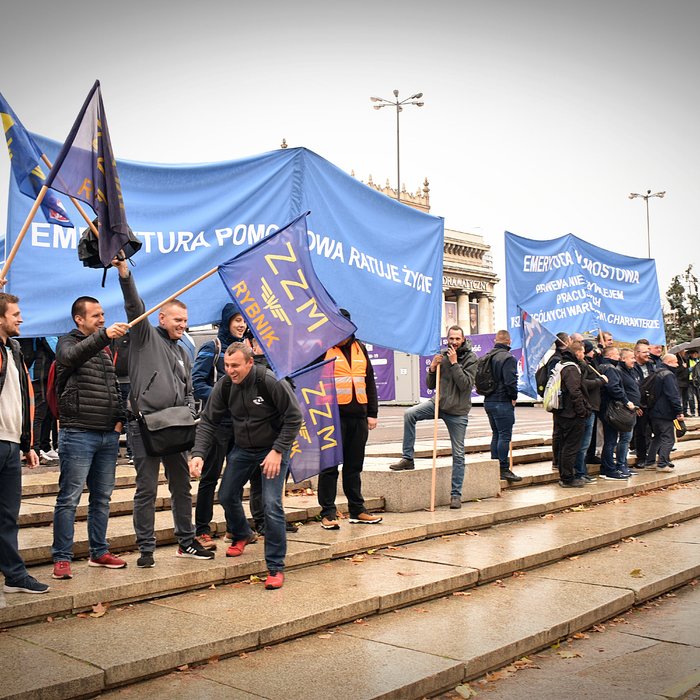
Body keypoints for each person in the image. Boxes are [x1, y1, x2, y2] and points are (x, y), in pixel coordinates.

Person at [114, 258, 214, 567]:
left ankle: (187, 542)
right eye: (177, 320)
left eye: (185, 321)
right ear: (161, 317)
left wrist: (190, 413)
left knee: (181, 486)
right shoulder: (145, 337)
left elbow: (188, 389)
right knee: (146, 488)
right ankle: (146, 548)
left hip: (176, 425)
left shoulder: (184, 349)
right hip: (144, 425)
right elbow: (133, 305)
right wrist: (125, 274)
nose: (182, 325)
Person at [189, 343, 302, 590]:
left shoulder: (269, 381)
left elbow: (294, 417)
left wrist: (277, 450)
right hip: (242, 449)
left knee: (271, 505)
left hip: (272, 449)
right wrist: (198, 454)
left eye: (235, 366)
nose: (230, 371)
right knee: (227, 494)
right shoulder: (225, 385)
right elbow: (208, 421)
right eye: (227, 366)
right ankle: (242, 534)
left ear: (250, 363)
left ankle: (275, 567)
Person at [51, 297, 130, 579]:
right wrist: (102, 336)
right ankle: (61, 557)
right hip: (77, 433)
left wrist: (119, 421)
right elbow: (70, 358)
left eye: (103, 315)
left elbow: (113, 389)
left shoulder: (104, 350)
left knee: (103, 499)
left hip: (107, 435)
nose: (101, 319)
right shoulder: (67, 342)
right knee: (69, 498)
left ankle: (99, 552)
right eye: (95, 315)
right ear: (79, 319)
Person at [191, 303, 263, 548]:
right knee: (210, 477)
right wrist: (224, 397)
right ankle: (202, 528)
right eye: (237, 320)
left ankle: (234, 530)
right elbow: (197, 383)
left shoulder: (247, 353)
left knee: (235, 480)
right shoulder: (213, 347)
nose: (242, 324)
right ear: (226, 322)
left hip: (241, 427)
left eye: (244, 320)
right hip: (217, 424)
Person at [389, 326, 477, 509]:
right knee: (409, 414)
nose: (453, 342)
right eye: (451, 338)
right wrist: (432, 368)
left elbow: (465, 385)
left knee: (459, 454)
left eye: (457, 339)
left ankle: (455, 494)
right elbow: (430, 384)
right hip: (438, 403)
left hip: (458, 411)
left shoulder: (471, 358)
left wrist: (454, 364)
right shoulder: (442, 355)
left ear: (463, 339)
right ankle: (408, 458)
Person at [0, 292, 49, 593]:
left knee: (7, 516)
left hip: (9, 444)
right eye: (15, 313)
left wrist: (26, 443)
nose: (20, 318)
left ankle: (15, 576)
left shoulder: (15, 349)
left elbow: (21, 397)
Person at [317, 308, 382, 529]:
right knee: (329, 467)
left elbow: (369, 381)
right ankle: (328, 513)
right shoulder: (323, 348)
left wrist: (372, 413)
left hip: (358, 417)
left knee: (354, 466)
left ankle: (357, 509)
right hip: (332, 418)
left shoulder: (359, 348)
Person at [483, 330, 522, 483]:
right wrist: (513, 397)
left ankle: (494, 466)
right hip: (502, 401)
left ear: (495, 340)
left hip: (488, 401)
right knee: (504, 435)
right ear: (509, 341)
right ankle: (503, 469)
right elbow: (510, 382)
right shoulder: (508, 358)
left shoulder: (487, 356)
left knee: (496, 434)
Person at [17, 336, 59, 463]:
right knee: (38, 414)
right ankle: (34, 448)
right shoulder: (45, 330)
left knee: (46, 413)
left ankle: (44, 447)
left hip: (42, 375)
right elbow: (56, 350)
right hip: (37, 375)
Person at [556, 340, 591, 488]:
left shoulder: (562, 364)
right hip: (572, 414)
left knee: (565, 445)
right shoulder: (571, 368)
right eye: (582, 352)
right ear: (577, 353)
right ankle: (567, 478)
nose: (584, 355)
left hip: (564, 411)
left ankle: (565, 475)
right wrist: (582, 411)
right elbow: (575, 391)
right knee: (570, 446)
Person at [598, 346, 635, 480]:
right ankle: (609, 469)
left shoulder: (602, 367)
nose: (619, 357)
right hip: (610, 409)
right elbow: (614, 388)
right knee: (611, 441)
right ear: (611, 355)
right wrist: (626, 401)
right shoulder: (610, 369)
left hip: (605, 408)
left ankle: (605, 467)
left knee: (610, 440)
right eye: (617, 354)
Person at [644, 354, 683, 473]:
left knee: (657, 437)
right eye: (676, 362)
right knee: (668, 438)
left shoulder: (656, 372)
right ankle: (662, 463)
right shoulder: (668, 375)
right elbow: (673, 395)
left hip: (654, 411)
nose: (677, 365)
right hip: (664, 412)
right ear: (669, 362)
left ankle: (650, 462)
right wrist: (679, 411)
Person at [575, 340, 607, 483]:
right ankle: (580, 472)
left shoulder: (589, 363)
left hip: (592, 406)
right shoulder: (581, 366)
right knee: (583, 444)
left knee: (586, 444)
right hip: (588, 407)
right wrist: (600, 381)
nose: (594, 352)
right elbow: (584, 384)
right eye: (591, 350)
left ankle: (582, 472)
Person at [617, 348, 642, 473]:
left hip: (633, 409)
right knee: (625, 438)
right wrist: (628, 403)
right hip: (624, 410)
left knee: (627, 438)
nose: (634, 360)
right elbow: (621, 391)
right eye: (631, 358)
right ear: (623, 359)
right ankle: (621, 464)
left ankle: (624, 464)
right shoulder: (620, 371)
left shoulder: (631, 371)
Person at [111, 331, 133, 463]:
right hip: (131, 381)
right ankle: (132, 453)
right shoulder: (133, 336)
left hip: (115, 381)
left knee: (115, 418)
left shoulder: (111, 336)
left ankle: (114, 452)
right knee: (130, 417)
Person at [632, 342, 655, 465]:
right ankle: (641, 458)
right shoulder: (632, 367)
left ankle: (655, 456)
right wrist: (637, 404)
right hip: (639, 404)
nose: (648, 354)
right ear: (637, 353)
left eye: (648, 351)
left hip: (652, 403)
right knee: (640, 432)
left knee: (656, 430)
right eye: (645, 352)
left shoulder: (652, 366)